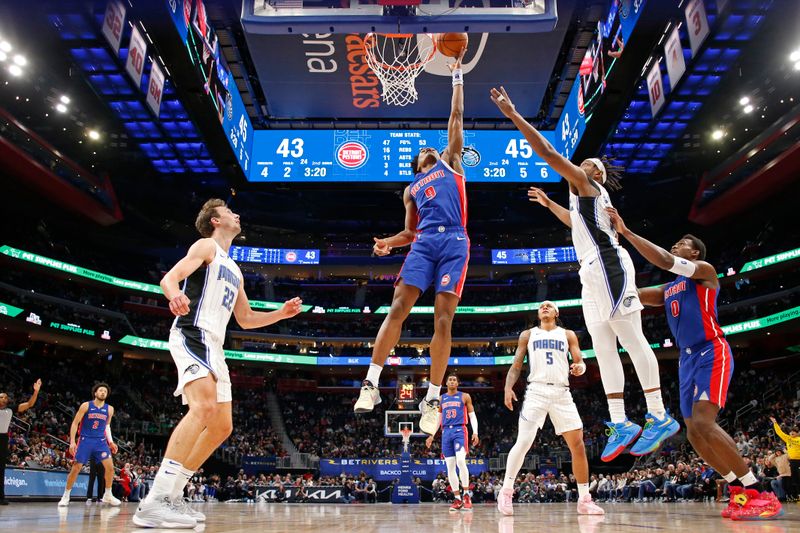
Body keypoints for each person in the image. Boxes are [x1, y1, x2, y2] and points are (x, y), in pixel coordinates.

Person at [489, 86, 679, 461]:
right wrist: (549, 204)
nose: (584, 163)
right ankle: (621, 421)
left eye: (589, 162)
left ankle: (659, 414)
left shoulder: (588, 184)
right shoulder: (581, 202)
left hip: (608, 264)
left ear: (596, 174)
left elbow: (546, 152)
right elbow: (574, 221)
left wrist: (513, 115)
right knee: (603, 347)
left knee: (631, 337)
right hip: (590, 273)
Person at [133, 199, 303, 528]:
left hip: (216, 345)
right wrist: (174, 295)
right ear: (215, 220)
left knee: (222, 426)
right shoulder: (205, 245)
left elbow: (247, 318)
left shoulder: (235, 269)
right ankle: (155, 499)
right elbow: (170, 278)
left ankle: (173, 495)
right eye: (229, 210)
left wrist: (281, 313)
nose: (236, 214)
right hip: (193, 333)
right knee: (203, 408)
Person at [606, 208, 783, 520]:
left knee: (703, 422)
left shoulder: (705, 271)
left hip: (711, 350)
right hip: (686, 360)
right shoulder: (669, 289)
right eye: (675, 243)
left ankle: (759, 491)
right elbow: (632, 295)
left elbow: (663, 260)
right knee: (693, 434)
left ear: (695, 252)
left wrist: (628, 232)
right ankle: (737, 488)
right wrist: (602, 283)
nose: (676, 246)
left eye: (681, 243)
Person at [354, 48, 470, 436]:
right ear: (417, 164)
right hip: (423, 245)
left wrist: (456, 76)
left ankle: (433, 397)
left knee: (442, 318)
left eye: (431, 148)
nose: (429, 149)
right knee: (398, 307)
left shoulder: (452, 163)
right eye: (424, 152)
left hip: (455, 242)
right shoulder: (411, 189)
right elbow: (409, 232)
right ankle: (371, 382)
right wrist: (388, 243)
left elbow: (455, 118)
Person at [497, 301, 603, 516]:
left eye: (549, 305)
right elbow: (516, 365)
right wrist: (508, 387)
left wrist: (579, 368)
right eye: (541, 306)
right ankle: (506, 492)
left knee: (578, 445)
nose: (544, 307)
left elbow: (580, 362)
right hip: (536, 391)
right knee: (524, 441)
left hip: (562, 392)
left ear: (556, 312)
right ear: (538, 314)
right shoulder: (528, 335)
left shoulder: (568, 334)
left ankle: (584, 499)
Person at [58, 383, 121, 507]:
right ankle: (66, 495)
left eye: (105, 391)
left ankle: (108, 494)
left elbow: (107, 426)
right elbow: (75, 423)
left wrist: (111, 441)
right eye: (100, 390)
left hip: (101, 442)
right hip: (85, 440)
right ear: (95, 393)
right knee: (76, 468)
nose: (103, 392)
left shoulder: (110, 409)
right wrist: (72, 441)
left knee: (110, 468)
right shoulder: (86, 405)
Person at [424, 374, 479, 511]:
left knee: (461, 461)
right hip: (445, 433)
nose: (452, 381)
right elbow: (439, 419)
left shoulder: (464, 396)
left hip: (460, 430)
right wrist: (431, 435)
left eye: (455, 379)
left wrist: (475, 432)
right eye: (450, 380)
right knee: (450, 466)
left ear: (458, 383)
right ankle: (457, 498)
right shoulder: (441, 398)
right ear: (446, 383)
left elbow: (472, 415)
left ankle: (466, 494)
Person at [0, 378, 41, 505]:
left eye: (5, 397)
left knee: (1, 469)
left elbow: (29, 404)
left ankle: (1, 497)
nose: (3, 398)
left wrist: (36, 392)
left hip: (2, 439)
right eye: (1, 396)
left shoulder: (11, 409)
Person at [771, 416, 800, 501]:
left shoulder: (799, 439)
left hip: (799, 460)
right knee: (796, 480)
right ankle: (798, 495)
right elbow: (779, 432)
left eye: (793, 432)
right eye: (790, 432)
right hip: (793, 461)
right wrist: (775, 423)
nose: (791, 434)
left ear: (797, 433)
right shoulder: (788, 439)